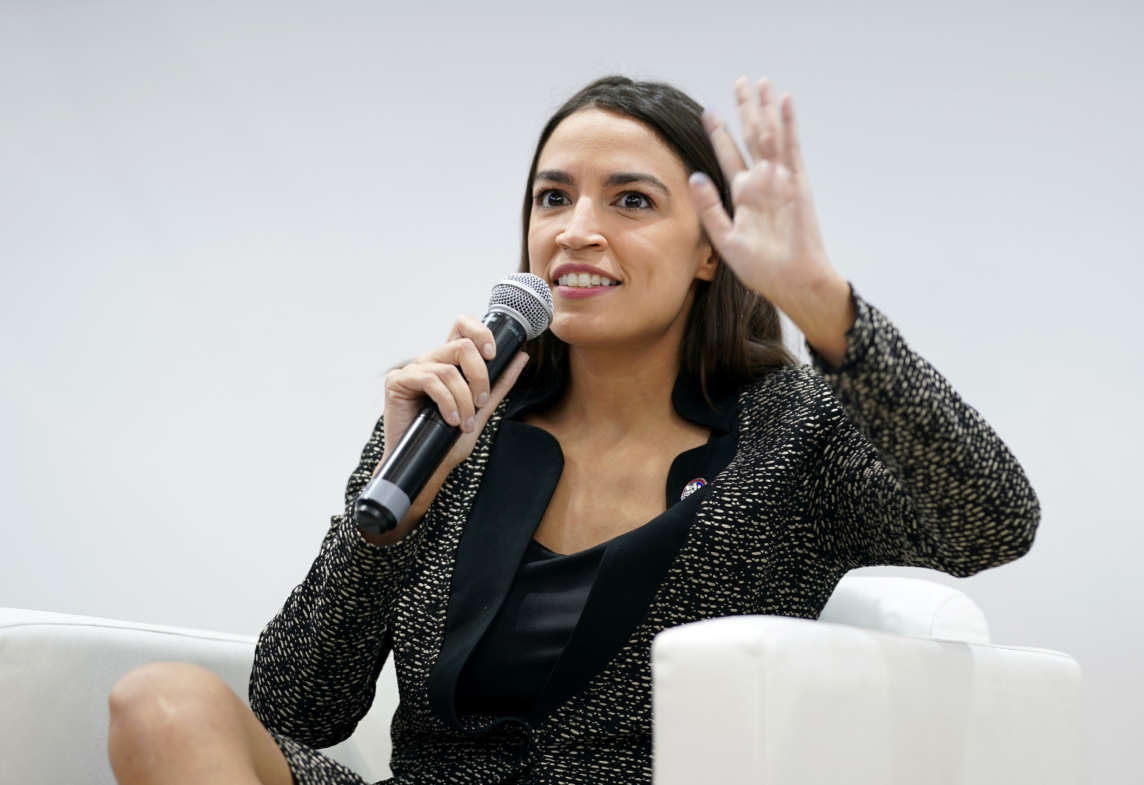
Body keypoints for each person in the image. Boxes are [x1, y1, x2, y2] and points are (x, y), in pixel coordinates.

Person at [106, 74, 1040, 785]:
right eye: (554, 198)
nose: (576, 231)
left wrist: (824, 305)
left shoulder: (791, 437)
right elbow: (298, 704)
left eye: (630, 201)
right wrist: (390, 514)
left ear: (712, 250)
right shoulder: (457, 411)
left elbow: (993, 519)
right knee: (161, 701)